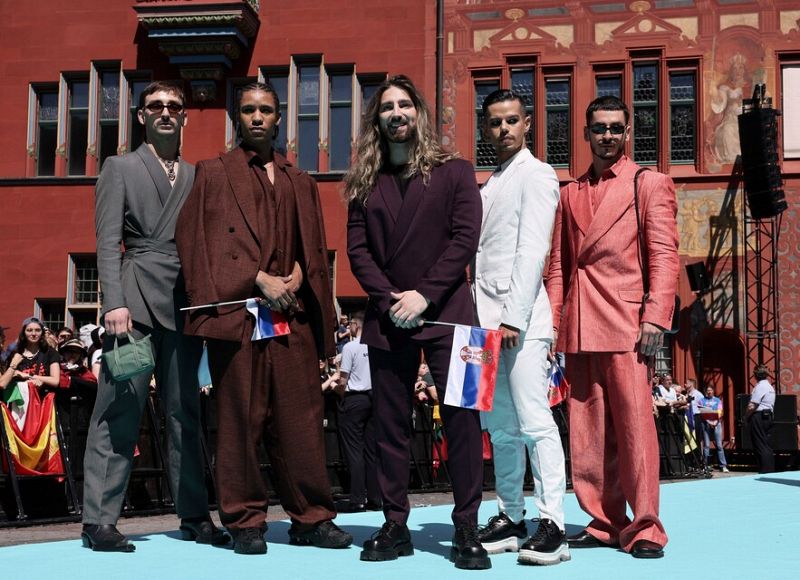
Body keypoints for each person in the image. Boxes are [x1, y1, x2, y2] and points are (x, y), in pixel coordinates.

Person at [175, 81, 351, 555]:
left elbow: (313, 249)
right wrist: (256, 278)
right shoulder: (212, 174)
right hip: (239, 316)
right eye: (249, 109)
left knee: (301, 420)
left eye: (266, 110)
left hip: (291, 318)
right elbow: (198, 245)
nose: (257, 117)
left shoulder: (301, 181)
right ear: (238, 117)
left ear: (279, 119)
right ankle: (246, 521)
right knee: (239, 422)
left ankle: (311, 517)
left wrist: (297, 276)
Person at [346, 74, 489, 570]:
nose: (396, 113)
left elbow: (464, 239)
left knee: (465, 420)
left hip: (453, 314)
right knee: (388, 426)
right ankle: (394, 524)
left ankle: (467, 526)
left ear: (419, 113)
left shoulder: (455, 171)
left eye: (405, 104)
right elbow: (357, 251)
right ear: (377, 120)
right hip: (388, 319)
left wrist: (424, 296)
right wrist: (390, 300)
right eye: (387, 107)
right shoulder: (364, 180)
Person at [82, 80, 225, 553]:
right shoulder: (119, 167)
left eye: (174, 106)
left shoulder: (194, 174)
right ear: (141, 116)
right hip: (134, 305)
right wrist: (113, 302)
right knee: (120, 409)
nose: (165, 112)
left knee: (185, 412)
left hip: (183, 306)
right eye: (156, 106)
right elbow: (106, 241)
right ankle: (99, 520)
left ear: (184, 117)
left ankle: (193, 514)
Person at [546, 95, 679, 559]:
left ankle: (646, 527)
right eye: (598, 128)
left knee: (635, 429)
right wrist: (552, 322)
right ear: (585, 134)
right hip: (580, 323)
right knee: (587, 430)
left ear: (627, 133)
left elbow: (664, 256)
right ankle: (604, 521)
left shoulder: (649, 183)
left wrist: (656, 316)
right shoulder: (569, 192)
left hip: (627, 323)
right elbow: (559, 265)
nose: (607, 135)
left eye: (615, 128)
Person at [471, 89, 568, 565]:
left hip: (522, 321)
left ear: (527, 123)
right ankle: (511, 516)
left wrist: (512, 315)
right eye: (495, 122)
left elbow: (534, 250)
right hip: (485, 323)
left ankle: (553, 524)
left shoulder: (538, 174)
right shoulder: (490, 182)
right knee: (501, 429)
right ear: (485, 128)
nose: (504, 129)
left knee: (534, 421)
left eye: (512, 121)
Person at [337, 312, 381, 513]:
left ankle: (357, 498)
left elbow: (343, 378)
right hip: (374, 398)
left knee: (354, 450)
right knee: (371, 450)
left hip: (355, 398)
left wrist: (340, 394)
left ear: (355, 325)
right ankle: (375, 497)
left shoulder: (350, 347)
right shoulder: (375, 345)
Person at [0, 317, 61, 392]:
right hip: (20, 399)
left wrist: (28, 376)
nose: (33, 334)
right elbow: (6, 379)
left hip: (43, 399)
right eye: (29, 330)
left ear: (42, 332)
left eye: (37, 330)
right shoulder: (16, 353)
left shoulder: (50, 352)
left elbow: (55, 381)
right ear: (23, 333)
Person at [746, 364, 775, 473]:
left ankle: (765, 470)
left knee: (760, 444)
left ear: (756, 375)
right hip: (768, 416)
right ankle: (769, 469)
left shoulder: (760, 386)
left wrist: (746, 417)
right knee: (765, 444)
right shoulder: (769, 386)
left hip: (759, 416)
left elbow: (752, 405)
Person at [696, 386, 729, 472]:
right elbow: (701, 411)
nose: (709, 392)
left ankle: (723, 465)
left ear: (713, 391)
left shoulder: (717, 400)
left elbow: (720, 411)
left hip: (716, 423)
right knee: (706, 445)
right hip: (706, 424)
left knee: (719, 445)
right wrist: (709, 421)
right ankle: (706, 465)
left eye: (710, 390)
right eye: (707, 390)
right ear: (705, 391)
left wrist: (714, 421)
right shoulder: (702, 400)